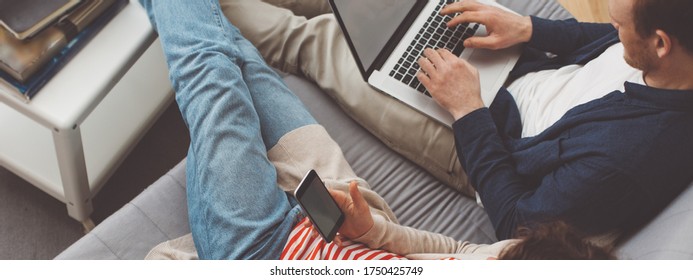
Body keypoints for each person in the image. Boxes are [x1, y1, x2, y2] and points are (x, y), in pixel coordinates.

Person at [139, 0, 613, 260]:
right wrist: (372, 229)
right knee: (238, 60)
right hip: (338, 208)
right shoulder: (529, 258)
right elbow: (458, 250)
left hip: (265, 251)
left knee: (208, 68)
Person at [219, 0, 693, 241]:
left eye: (620, 24)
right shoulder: (673, 55)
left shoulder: (626, 162)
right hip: (508, 68)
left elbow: (518, 222)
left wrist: (467, 108)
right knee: (366, 10)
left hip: (481, 138)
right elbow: (604, 45)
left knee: (311, 39)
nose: (611, 26)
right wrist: (529, 28)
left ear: (660, 44)